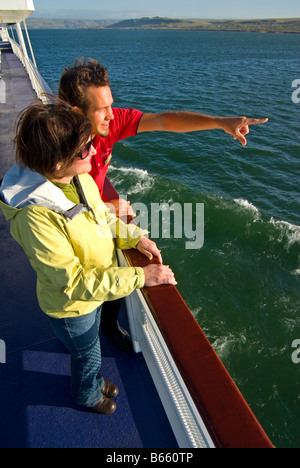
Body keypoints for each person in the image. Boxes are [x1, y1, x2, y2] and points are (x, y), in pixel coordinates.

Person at [58, 59, 268, 352]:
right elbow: (53, 205)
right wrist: (105, 209)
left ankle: (107, 325)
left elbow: (164, 121)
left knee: (117, 255)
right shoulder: (56, 144)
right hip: (72, 230)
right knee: (79, 305)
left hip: (97, 215)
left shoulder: (108, 123)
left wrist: (220, 122)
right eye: (102, 109)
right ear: (76, 113)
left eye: (111, 105)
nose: (111, 115)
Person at [0, 101, 177, 415]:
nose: (94, 153)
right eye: (85, 150)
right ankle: (87, 394)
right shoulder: (35, 219)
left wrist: (135, 237)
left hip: (92, 295)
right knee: (87, 353)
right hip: (71, 304)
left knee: (90, 343)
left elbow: (101, 218)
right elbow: (74, 282)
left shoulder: (76, 179)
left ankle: (93, 380)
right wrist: (141, 276)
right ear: (57, 163)